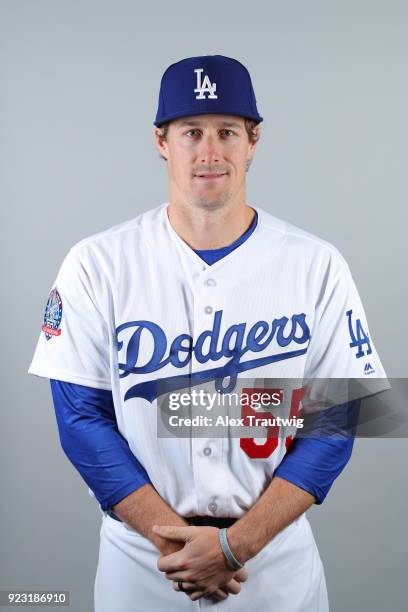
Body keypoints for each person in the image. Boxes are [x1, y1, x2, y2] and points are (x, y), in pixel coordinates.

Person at [28, 55, 389, 611]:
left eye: (226, 131)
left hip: (273, 563)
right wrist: (178, 543)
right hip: (144, 565)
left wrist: (236, 545)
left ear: (253, 141)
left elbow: (338, 416)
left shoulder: (316, 264)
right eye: (191, 131)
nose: (209, 150)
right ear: (161, 141)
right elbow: (80, 419)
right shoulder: (96, 263)